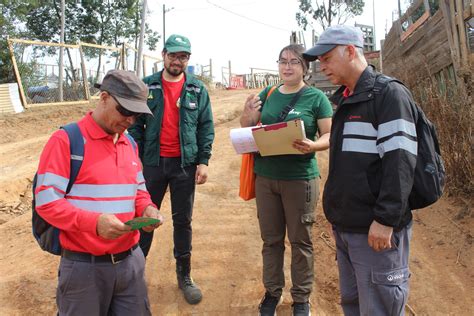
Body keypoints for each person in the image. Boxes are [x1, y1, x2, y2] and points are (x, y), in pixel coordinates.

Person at [303, 25, 417, 315]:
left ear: (351, 51)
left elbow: (400, 163)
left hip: (375, 232)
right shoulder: (345, 99)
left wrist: (386, 219)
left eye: (327, 58)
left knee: (379, 308)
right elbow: (346, 167)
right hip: (347, 228)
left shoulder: (389, 95)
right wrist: (338, 215)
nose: (322, 66)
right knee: (353, 305)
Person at [35, 69, 164, 315]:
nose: (130, 120)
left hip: (130, 265)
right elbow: (47, 203)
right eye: (125, 111)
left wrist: (147, 208)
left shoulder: (130, 143)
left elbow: (138, 190)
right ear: (104, 98)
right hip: (84, 270)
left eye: (136, 114)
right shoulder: (66, 141)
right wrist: (95, 223)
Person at [240, 44, 333, 316]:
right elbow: (248, 127)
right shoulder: (267, 94)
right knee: (271, 241)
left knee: (300, 241)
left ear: (304, 68)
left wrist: (313, 146)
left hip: (299, 179)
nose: (287, 66)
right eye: (283, 61)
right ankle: (272, 293)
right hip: (266, 178)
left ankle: (301, 299)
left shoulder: (316, 98)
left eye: (294, 62)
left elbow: (329, 135)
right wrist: (247, 112)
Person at [128, 34, 214, 305]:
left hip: (184, 165)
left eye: (183, 56)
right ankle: (134, 276)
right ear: (163, 55)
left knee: (182, 221)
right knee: (144, 218)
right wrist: (136, 160)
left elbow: (205, 127)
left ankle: (184, 276)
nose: (177, 61)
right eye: (173, 55)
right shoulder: (147, 86)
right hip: (152, 164)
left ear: (188, 59)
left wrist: (203, 161)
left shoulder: (197, 90)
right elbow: (134, 125)